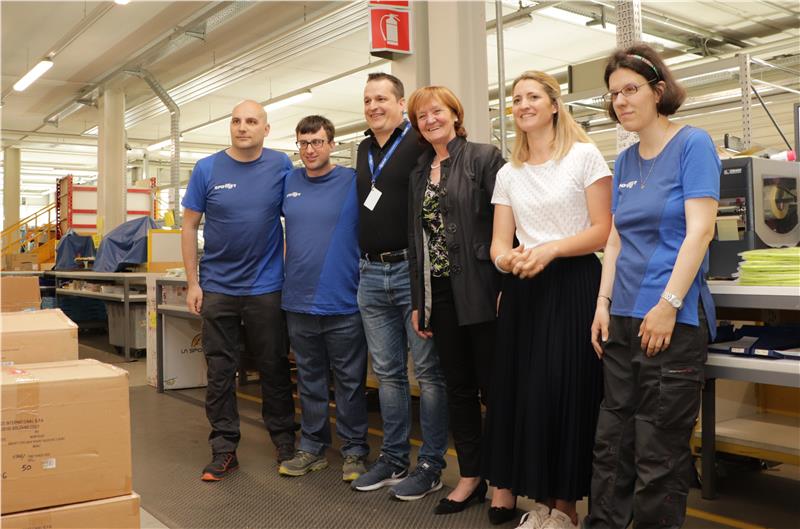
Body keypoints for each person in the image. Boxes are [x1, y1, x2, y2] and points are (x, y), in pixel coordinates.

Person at [585, 43, 720, 529]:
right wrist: (603, 303)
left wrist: (668, 304)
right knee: (612, 443)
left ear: (658, 91)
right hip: (621, 319)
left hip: (671, 320)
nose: (620, 101)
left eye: (631, 89)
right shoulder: (623, 160)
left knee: (658, 451)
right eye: (613, 94)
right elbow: (615, 240)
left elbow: (700, 232)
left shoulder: (693, 144)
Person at [482, 71, 612, 528]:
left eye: (533, 96)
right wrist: (508, 261)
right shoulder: (508, 173)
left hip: (574, 283)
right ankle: (539, 504)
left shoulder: (584, 157)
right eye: (516, 99)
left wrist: (551, 249)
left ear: (555, 105)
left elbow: (603, 230)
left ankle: (566, 508)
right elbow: (499, 244)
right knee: (527, 394)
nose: (523, 105)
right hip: (526, 289)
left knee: (566, 391)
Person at [181, 99, 297, 482]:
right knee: (220, 371)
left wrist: (287, 268)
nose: (242, 127)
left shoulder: (280, 165)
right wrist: (193, 282)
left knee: (274, 366)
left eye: (250, 121)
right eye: (235, 121)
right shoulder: (207, 168)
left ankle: (285, 441)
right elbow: (189, 226)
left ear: (266, 129)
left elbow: (295, 218)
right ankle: (224, 449)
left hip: (267, 286)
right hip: (218, 287)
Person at [405, 85, 505, 515]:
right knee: (458, 389)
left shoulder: (484, 158)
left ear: (454, 114)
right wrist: (419, 301)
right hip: (440, 295)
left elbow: (509, 223)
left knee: (495, 388)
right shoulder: (418, 173)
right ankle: (471, 476)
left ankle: (504, 481)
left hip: (483, 288)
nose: (431, 120)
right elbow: (417, 243)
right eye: (422, 116)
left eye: (437, 111)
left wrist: (505, 287)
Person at [350, 72, 449, 501]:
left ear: (400, 103)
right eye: (368, 100)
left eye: (382, 99)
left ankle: (431, 465)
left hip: (412, 271)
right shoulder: (362, 149)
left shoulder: (419, 143)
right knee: (387, 374)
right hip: (371, 273)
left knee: (428, 373)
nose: (373, 106)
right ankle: (393, 459)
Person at [278, 115, 370, 483]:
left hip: (343, 300)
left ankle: (354, 450)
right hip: (298, 301)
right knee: (309, 379)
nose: (310, 149)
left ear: (331, 144)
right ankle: (312, 447)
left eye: (317, 142)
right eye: (303, 143)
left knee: (349, 382)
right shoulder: (288, 182)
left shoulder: (353, 181)